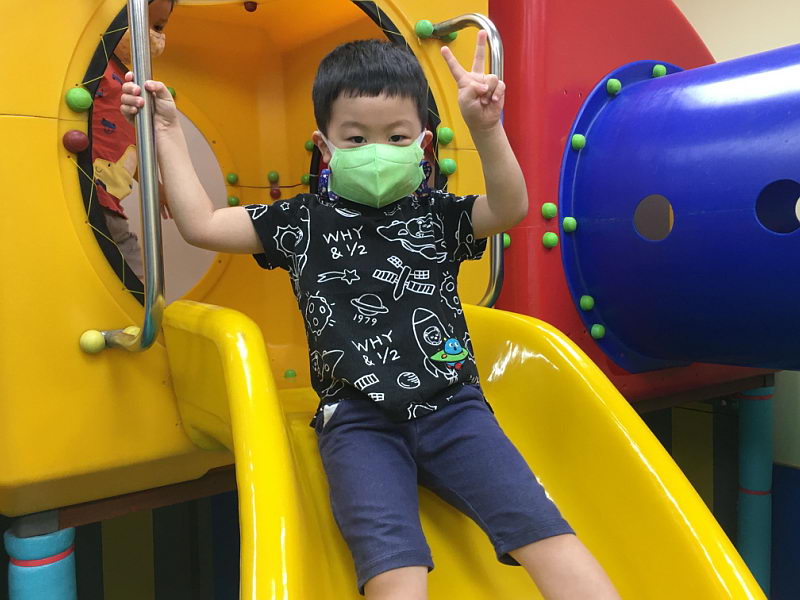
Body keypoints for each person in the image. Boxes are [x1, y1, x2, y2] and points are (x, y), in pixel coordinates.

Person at [120, 33, 620, 600]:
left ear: (423, 144)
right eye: (356, 138)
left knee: (541, 527)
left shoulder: (436, 215)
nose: (377, 150)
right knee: (392, 563)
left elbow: (509, 208)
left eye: (396, 137)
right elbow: (203, 225)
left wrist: (486, 128)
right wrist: (166, 131)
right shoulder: (301, 222)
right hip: (358, 423)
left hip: (455, 411)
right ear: (325, 146)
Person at [92, 0, 173, 280]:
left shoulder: (128, 79)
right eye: (140, 21)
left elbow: (127, 147)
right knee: (132, 268)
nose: (150, 33)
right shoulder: (96, 67)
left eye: (158, 26)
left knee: (129, 265)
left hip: (111, 195)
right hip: (93, 189)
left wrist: (155, 185)